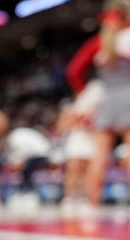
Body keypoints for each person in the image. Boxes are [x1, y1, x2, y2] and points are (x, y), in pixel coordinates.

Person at [65, 0, 130, 214]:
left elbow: (73, 72)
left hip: (106, 99)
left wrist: (84, 92)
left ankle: (92, 204)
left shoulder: (98, 41)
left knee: (99, 156)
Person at [55, 80, 101, 216]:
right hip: (76, 141)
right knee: (73, 171)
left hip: (91, 141)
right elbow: (60, 127)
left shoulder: (96, 109)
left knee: (88, 173)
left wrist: (90, 124)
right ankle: (69, 198)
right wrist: (74, 121)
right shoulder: (71, 109)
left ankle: (84, 198)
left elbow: (102, 128)